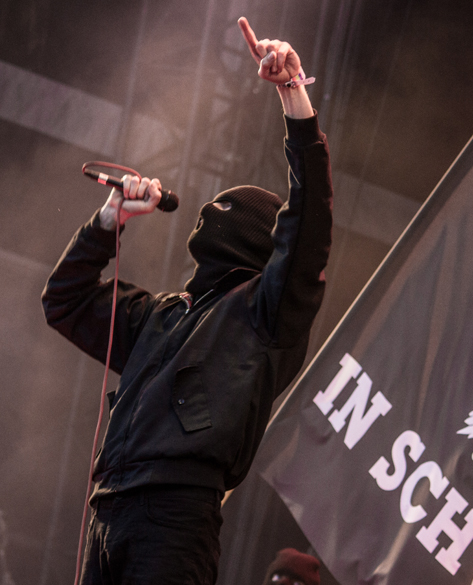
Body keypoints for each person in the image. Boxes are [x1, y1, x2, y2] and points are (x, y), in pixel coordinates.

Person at [41, 17, 332, 585]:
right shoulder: (161, 315)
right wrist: (109, 221)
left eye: (228, 212)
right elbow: (64, 301)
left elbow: (310, 220)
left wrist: (293, 94)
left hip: (175, 518)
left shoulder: (265, 311)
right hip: (109, 509)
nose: (212, 215)